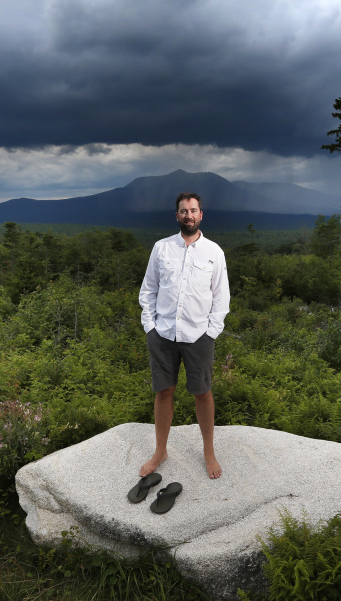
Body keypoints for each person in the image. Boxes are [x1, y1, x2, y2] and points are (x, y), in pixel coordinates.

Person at [138, 192, 230, 480]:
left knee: (202, 392)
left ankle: (208, 452)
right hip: (163, 334)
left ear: (201, 215)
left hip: (198, 335)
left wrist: (210, 332)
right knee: (163, 391)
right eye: (183, 211)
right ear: (176, 216)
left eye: (193, 210)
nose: (188, 215)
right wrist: (150, 327)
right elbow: (148, 290)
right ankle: (160, 450)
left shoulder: (214, 252)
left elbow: (221, 297)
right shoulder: (161, 248)